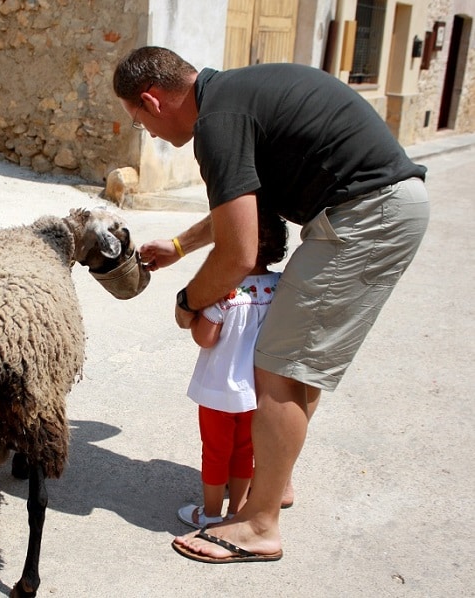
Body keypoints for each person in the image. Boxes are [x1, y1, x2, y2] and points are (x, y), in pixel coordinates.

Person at [112, 47, 429, 563]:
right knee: (296, 362)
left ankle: (259, 525)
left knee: (278, 367)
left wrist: (188, 302)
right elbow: (245, 214)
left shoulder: (218, 123)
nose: (146, 132)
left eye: (139, 120)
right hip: (381, 208)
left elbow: (238, 255)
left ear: (152, 100)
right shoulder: (232, 100)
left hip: (366, 216)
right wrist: (178, 247)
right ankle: (271, 486)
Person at [178, 209, 287, 530]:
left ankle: (210, 514)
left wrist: (198, 311)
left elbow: (205, 339)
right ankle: (237, 511)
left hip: (220, 392)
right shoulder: (280, 288)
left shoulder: (225, 294)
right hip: (259, 392)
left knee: (215, 453)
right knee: (244, 452)